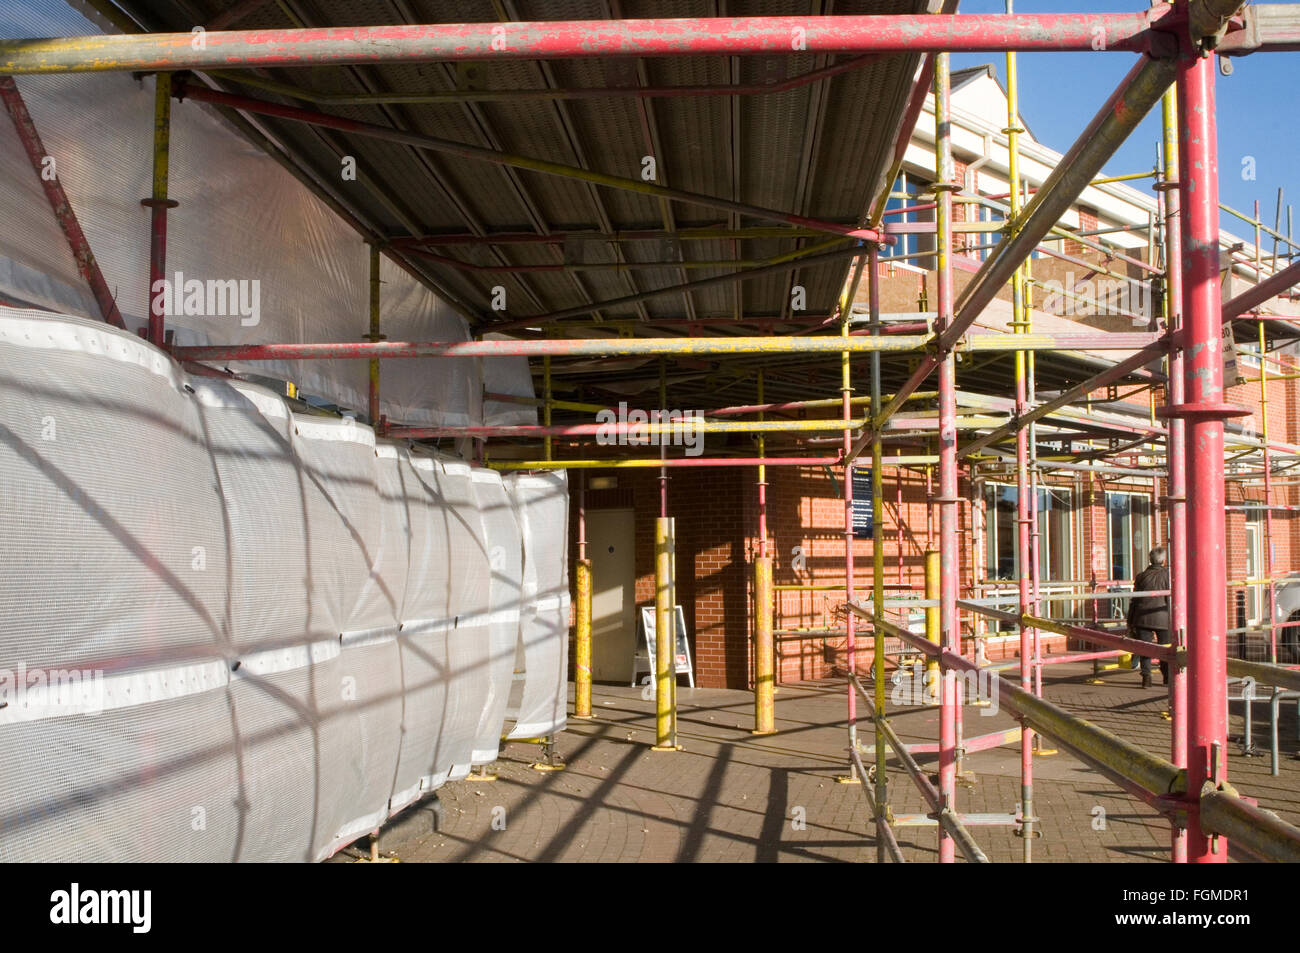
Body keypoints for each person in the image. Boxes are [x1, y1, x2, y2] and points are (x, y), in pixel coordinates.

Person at [1127, 546, 1171, 689]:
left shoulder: (1141, 576)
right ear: (1163, 560)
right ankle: (1167, 677)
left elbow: (1134, 600)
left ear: (1150, 559)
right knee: (1165, 649)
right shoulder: (1169, 575)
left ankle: (1146, 677)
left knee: (1145, 648)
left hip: (1142, 617)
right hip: (1163, 617)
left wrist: (1130, 620)